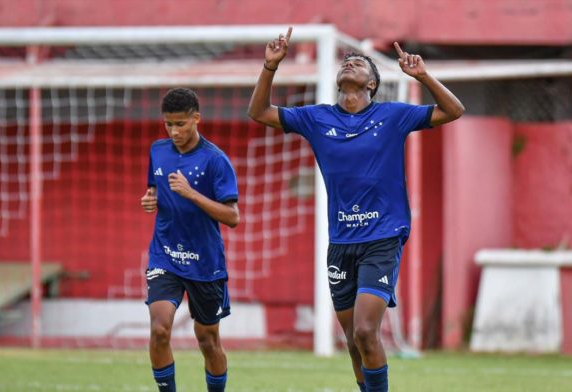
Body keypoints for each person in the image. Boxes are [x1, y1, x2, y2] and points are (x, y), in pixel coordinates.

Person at [247, 28, 464, 392]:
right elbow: (259, 112)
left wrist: (423, 75)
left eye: (360, 62)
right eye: (347, 61)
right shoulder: (316, 118)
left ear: (373, 85)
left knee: (366, 330)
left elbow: (454, 110)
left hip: (383, 236)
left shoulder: (393, 115)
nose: (351, 62)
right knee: (352, 341)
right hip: (341, 241)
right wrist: (270, 67)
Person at [141, 87, 240, 392]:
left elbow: (232, 217)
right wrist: (150, 198)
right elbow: (154, 188)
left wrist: (191, 193)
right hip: (165, 255)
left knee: (208, 340)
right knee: (159, 330)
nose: (173, 131)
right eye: (168, 124)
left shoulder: (215, 160)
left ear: (196, 118)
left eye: (180, 124)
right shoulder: (158, 151)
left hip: (204, 262)